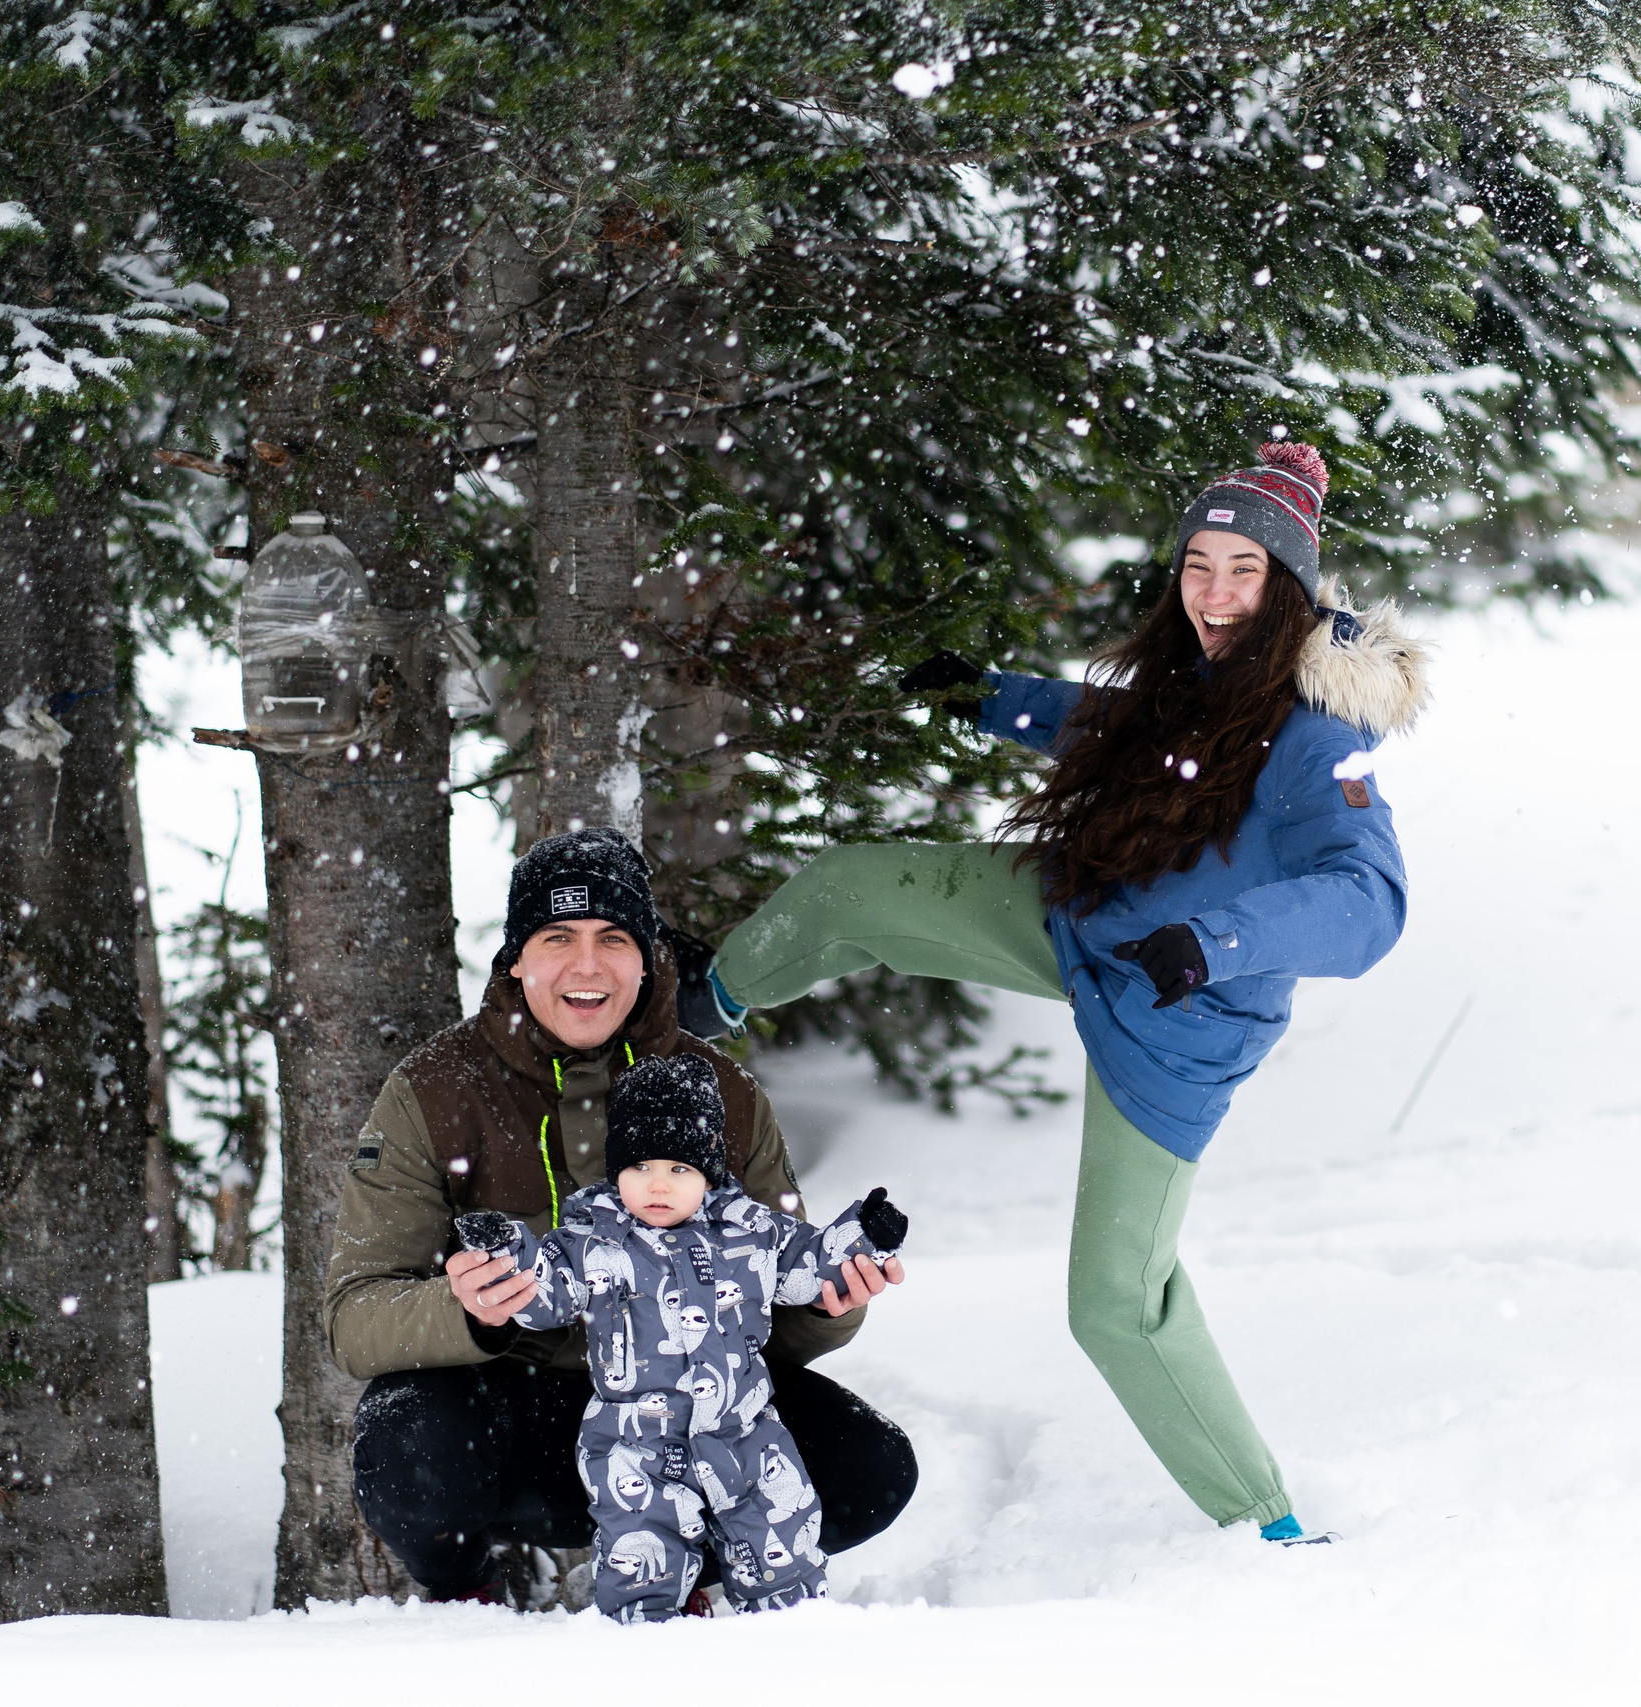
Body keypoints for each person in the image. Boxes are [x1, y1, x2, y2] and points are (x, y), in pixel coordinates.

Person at [684, 441, 1426, 1543]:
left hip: (1175, 1015)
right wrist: (992, 697)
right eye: (1199, 564)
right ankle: (691, 1015)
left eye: (1244, 571)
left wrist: (1213, 940)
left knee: (1116, 1304)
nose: (1215, 593)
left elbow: (1369, 904)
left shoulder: (1319, 738)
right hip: (1083, 910)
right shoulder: (1198, 676)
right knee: (851, 887)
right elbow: (1123, 737)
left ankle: (1269, 1526)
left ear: (1291, 589)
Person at [327, 827, 915, 1603]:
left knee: (870, 1466)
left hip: (689, 1409)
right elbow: (353, 1315)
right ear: (516, 958)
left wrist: (837, 1305)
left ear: (648, 957)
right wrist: (467, 1311)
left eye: (613, 937)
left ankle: (691, 1571)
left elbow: (783, 1290)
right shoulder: (434, 1089)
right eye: (556, 936)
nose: (586, 965)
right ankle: (467, 1593)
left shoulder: (724, 1094)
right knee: (400, 1440)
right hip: (511, 1411)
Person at [457, 1053, 910, 1622]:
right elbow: (543, 1294)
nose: (657, 1185)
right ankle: (646, 1651)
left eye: (679, 1170)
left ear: (708, 1173)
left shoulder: (749, 1232)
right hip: (634, 1445)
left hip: (745, 1436)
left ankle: (791, 1645)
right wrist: (506, 1255)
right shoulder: (592, 1242)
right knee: (643, 1564)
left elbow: (811, 1264)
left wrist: (864, 1237)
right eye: (640, 1166)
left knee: (783, 1551)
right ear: (616, 1169)